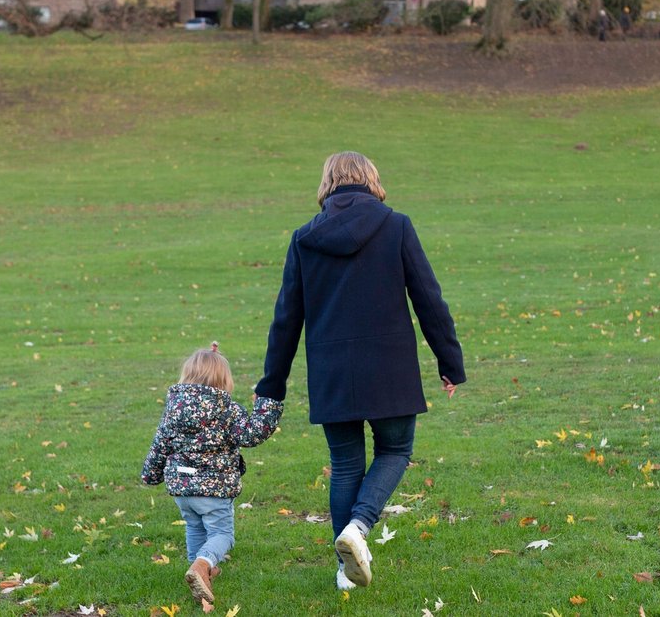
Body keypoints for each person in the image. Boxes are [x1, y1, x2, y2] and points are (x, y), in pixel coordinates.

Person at [253, 151, 465, 590]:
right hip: (390, 369)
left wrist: (271, 386)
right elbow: (429, 298)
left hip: (333, 373)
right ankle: (359, 528)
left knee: (346, 465)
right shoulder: (396, 225)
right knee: (395, 451)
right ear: (371, 179)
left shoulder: (303, 238)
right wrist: (450, 363)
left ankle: (345, 571)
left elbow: (285, 319)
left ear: (328, 183)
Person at [141, 342, 284, 610]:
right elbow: (251, 434)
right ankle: (203, 564)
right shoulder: (225, 408)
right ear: (223, 380)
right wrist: (268, 404)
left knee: (195, 527)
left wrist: (150, 474)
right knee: (222, 534)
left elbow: (160, 443)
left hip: (182, 488)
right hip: (214, 488)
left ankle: (203, 575)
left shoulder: (174, 407)